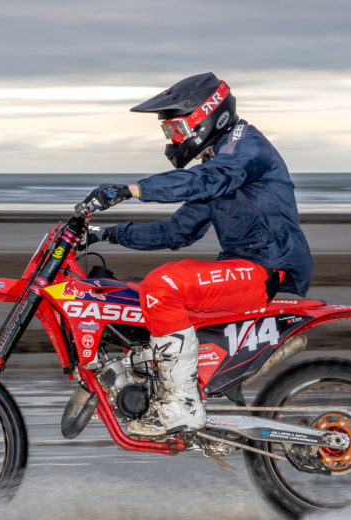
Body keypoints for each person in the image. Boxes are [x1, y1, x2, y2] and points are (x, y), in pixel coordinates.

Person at [80, 73, 313, 437]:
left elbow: (204, 179)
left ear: (205, 116)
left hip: (269, 269)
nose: (172, 140)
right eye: (167, 133)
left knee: (163, 285)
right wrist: (105, 234)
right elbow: (177, 231)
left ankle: (182, 405)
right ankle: (161, 389)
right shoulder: (218, 161)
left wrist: (131, 190)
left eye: (175, 130)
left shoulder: (243, 148)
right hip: (243, 267)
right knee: (142, 296)